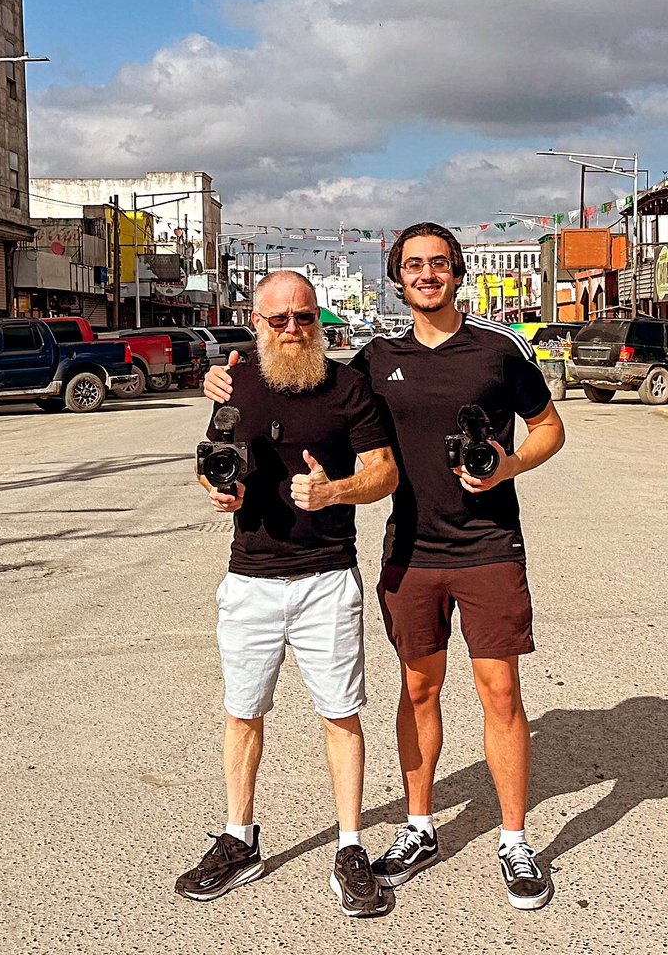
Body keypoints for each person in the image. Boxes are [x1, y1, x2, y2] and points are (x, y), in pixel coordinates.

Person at [206, 223, 565, 910]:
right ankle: (419, 825)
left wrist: (511, 465)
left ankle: (515, 840)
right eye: (412, 266)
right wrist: (222, 376)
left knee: (501, 694)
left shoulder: (499, 349)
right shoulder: (375, 359)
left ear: (457, 273)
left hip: (489, 547)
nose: (426, 275)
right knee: (419, 693)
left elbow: (550, 425)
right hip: (410, 550)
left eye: (437, 264)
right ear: (397, 280)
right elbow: (299, 385)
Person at [178, 271, 399, 918]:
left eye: (305, 317)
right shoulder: (237, 384)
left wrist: (334, 491)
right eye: (280, 320)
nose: (295, 329)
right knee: (244, 711)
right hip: (250, 578)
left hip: (326, 579)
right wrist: (216, 490)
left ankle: (351, 846)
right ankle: (240, 839)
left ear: (320, 321)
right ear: (257, 322)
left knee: (340, 714)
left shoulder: (348, 387)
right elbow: (211, 459)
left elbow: (383, 472)